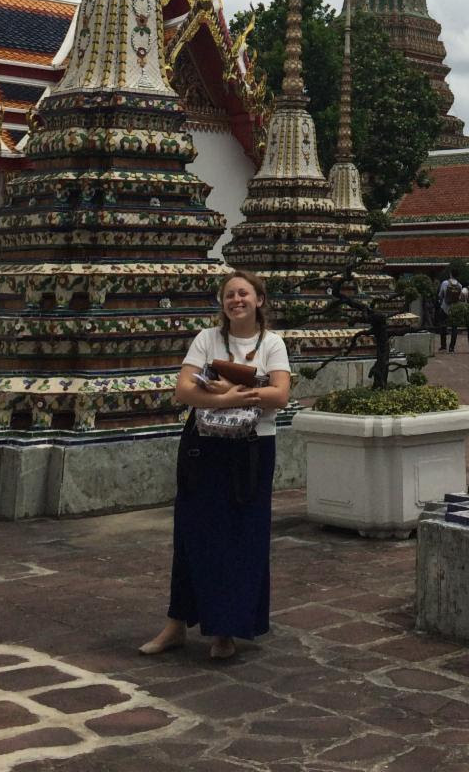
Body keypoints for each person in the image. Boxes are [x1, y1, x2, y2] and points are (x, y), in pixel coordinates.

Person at [140, 271, 291, 662]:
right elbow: (183, 389)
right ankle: (177, 622)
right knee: (192, 531)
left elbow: (281, 395)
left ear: (259, 299)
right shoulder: (207, 339)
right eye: (229, 295)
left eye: (243, 294)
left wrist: (231, 392)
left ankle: (227, 628)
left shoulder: (273, 344)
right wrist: (228, 399)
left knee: (242, 536)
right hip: (202, 447)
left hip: (251, 449)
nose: (236, 300)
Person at [438, 270, 463, 352]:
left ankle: (443, 346)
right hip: (454, 309)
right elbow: (459, 298)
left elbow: (440, 295)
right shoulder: (460, 285)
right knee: (454, 328)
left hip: (445, 307)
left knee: (443, 326)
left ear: (450, 274)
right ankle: (452, 347)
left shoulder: (445, 283)